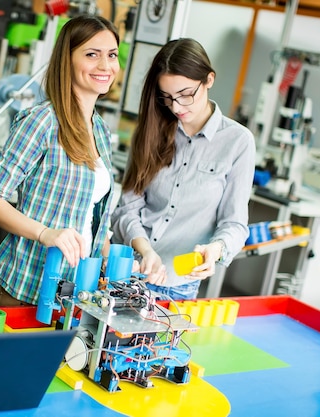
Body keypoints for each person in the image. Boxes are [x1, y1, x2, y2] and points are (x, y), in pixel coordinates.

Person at [0, 14, 121, 306]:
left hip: (77, 292)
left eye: (112, 55)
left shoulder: (102, 131)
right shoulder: (42, 121)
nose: (105, 66)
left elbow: (88, 216)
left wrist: (112, 258)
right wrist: (44, 233)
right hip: (28, 286)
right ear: (66, 60)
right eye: (92, 54)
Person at [111, 38, 256, 300]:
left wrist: (217, 249)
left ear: (209, 80)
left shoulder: (238, 142)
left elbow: (234, 223)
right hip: (125, 272)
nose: (176, 107)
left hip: (178, 286)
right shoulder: (150, 130)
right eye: (167, 97)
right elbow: (127, 208)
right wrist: (145, 251)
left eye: (186, 94)